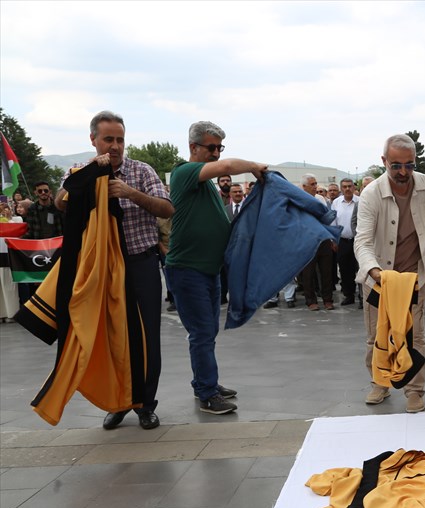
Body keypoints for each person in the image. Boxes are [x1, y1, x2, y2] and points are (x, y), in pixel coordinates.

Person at [54, 110, 175, 430]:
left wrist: (130, 193)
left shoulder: (142, 171)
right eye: (109, 139)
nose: (116, 145)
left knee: (147, 337)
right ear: (93, 139)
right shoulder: (83, 171)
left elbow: (167, 208)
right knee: (111, 338)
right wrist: (80, 187)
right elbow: (60, 202)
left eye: (120, 139)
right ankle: (119, 402)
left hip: (141, 264)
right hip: (103, 270)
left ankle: (146, 404)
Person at [165, 120, 267, 415]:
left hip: (206, 270)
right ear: (193, 147)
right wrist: (255, 166)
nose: (216, 153)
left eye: (220, 147)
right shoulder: (186, 173)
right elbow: (226, 168)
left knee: (206, 331)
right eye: (211, 147)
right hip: (188, 270)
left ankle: (206, 383)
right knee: (202, 332)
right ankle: (207, 392)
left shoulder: (205, 185)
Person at [354, 134, 425, 414]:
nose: (403, 172)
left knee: (415, 337)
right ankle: (380, 383)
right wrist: (374, 271)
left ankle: (414, 390)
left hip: (414, 279)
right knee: (376, 336)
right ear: (384, 161)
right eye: (396, 166)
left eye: (409, 165)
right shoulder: (371, 193)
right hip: (377, 279)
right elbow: (362, 241)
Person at [299, 173, 335, 310]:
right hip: (307, 241)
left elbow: (327, 218)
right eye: (312, 184)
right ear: (304, 186)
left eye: (315, 183)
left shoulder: (321, 199)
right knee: (308, 273)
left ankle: (328, 299)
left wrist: (332, 238)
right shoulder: (298, 200)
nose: (315, 187)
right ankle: (311, 301)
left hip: (324, 238)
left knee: (326, 271)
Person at [332, 178, 359, 305]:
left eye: (349, 186)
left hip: (358, 240)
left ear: (354, 187)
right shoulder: (336, 203)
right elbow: (333, 223)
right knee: (345, 269)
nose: (347, 189)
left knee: (360, 268)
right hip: (342, 241)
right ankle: (349, 295)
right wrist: (334, 240)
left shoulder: (361, 202)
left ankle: (363, 297)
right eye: (344, 187)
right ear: (341, 189)